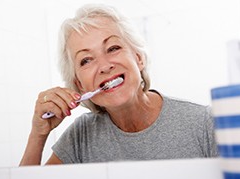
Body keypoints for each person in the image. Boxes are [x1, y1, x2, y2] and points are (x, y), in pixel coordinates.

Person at [20, 4, 218, 166]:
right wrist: (38, 134)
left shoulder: (205, 125)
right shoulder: (81, 136)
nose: (105, 66)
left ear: (138, 58)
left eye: (113, 48)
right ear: (79, 85)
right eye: (86, 60)